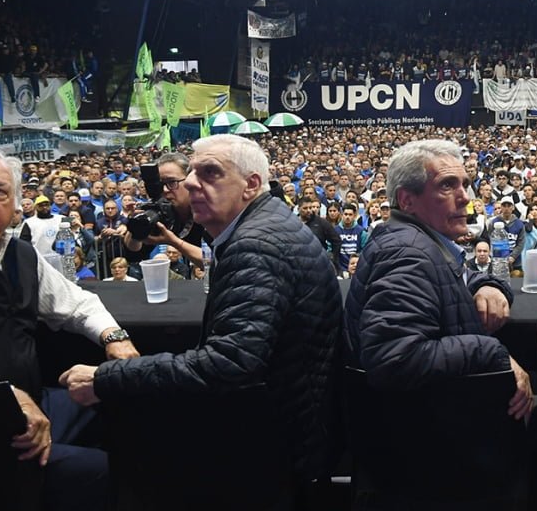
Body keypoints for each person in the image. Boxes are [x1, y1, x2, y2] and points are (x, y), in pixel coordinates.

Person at [59, 134, 342, 486]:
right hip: (290, 423)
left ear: (251, 184)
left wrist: (109, 378)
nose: (191, 183)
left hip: (271, 449)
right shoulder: (264, 224)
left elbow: (229, 364)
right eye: (192, 172)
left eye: (210, 172)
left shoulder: (257, 246)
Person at [0, 147, 139, 511]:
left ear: (16, 203)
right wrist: (3, 394)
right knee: (95, 472)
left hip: (33, 397)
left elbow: (76, 304)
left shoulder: (20, 254)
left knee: (122, 402)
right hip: (2, 415)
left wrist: (115, 337)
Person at [343, 140, 531, 421]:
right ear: (407, 200)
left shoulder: (413, 240)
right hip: (427, 436)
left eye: (465, 184)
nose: (465, 197)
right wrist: (491, 352)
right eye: (447, 185)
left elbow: (445, 278)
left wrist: (486, 285)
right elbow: (394, 357)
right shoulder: (407, 253)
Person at [120, 152, 208, 268]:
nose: (165, 190)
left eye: (172, 182)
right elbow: (134, 253)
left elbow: (214, 261)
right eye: (160, 184)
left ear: (190, 181)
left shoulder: (209, 211)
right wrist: (136, 228)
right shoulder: (160, 211)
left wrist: (174, 242)